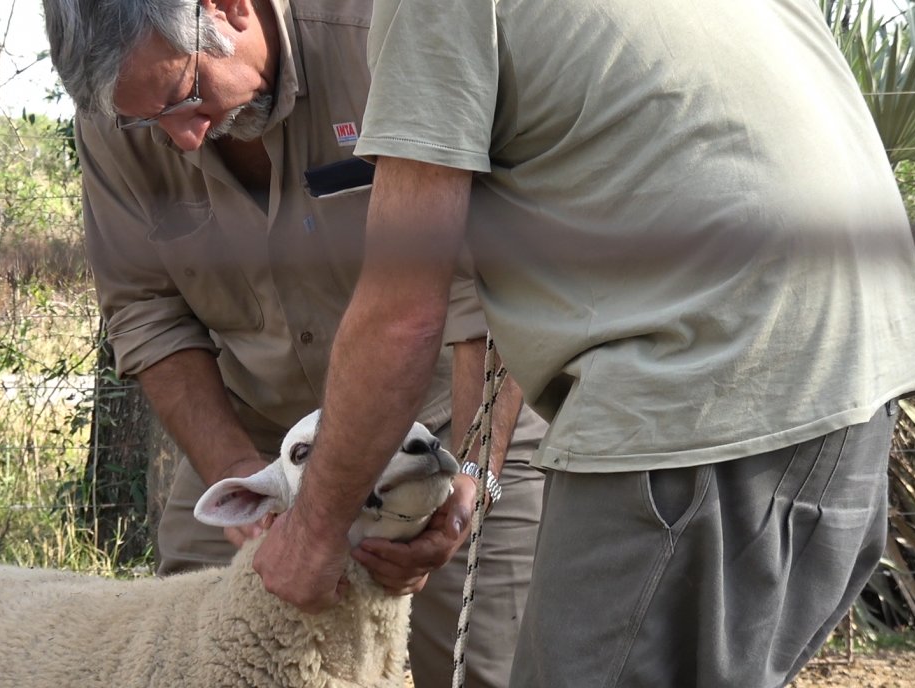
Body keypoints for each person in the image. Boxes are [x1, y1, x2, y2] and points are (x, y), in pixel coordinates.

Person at [248, 0, 915, 687]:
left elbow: (403, 311)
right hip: (864, 381)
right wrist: (473, 477)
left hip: (699, 390)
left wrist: (313, 533)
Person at [40, 1, 548, 687]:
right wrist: (255, 495)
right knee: (190, 661)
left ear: (229, 8)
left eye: (185, 96)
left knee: (482, 667)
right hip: (263, 441)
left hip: (441, 431)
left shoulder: (387, 43)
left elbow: (485, 290)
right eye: (143, 122)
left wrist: (472, 484)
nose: (182, 139)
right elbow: (145, 312)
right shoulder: (122, 114)